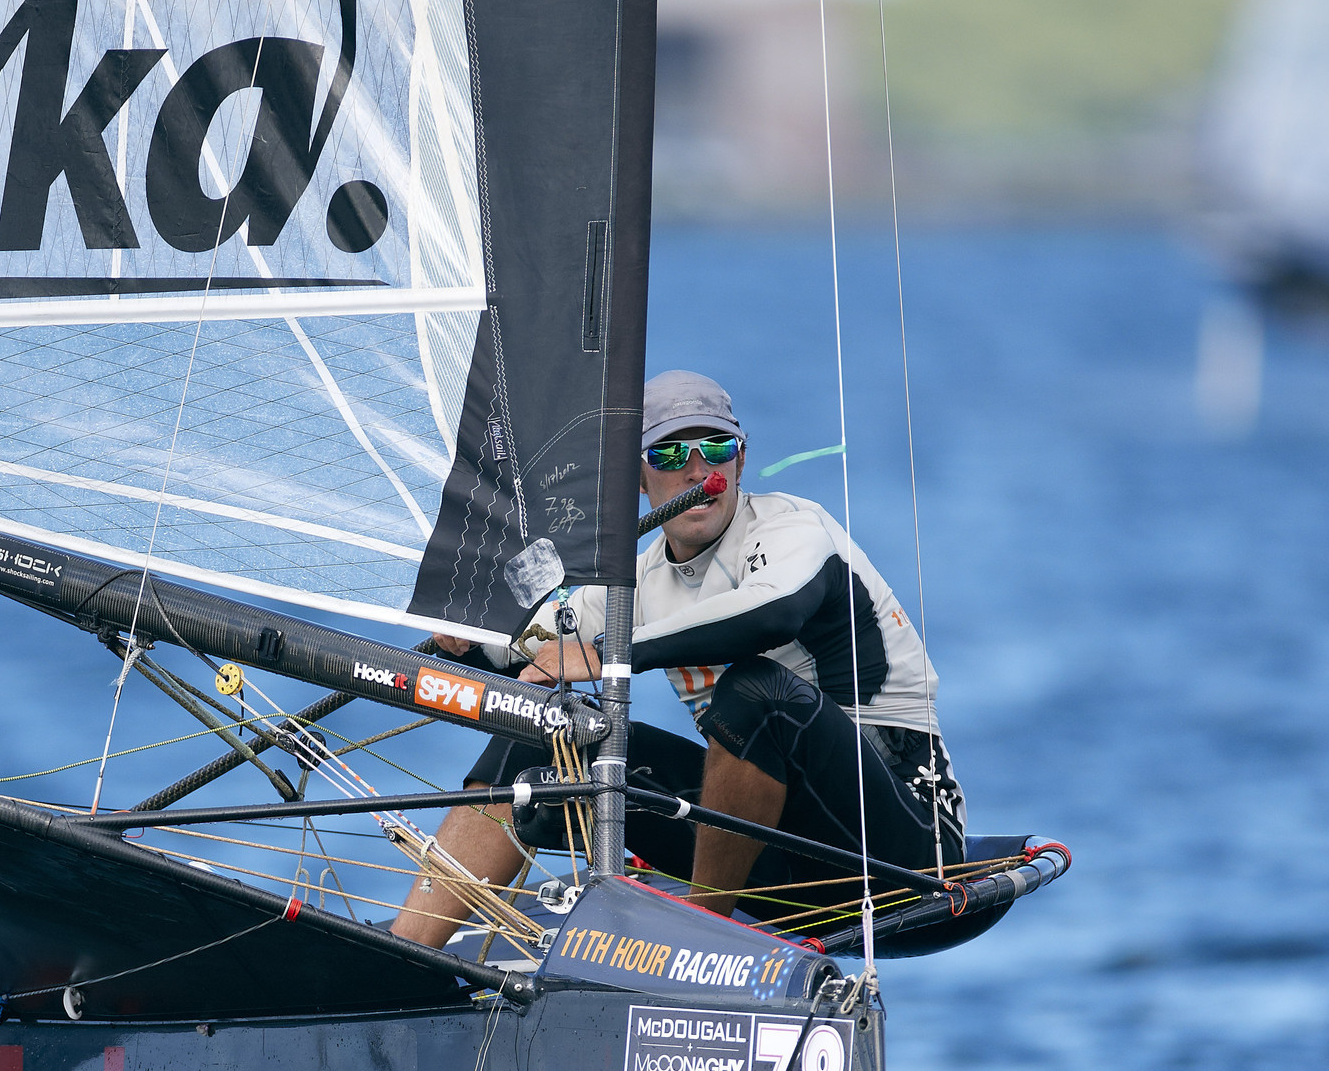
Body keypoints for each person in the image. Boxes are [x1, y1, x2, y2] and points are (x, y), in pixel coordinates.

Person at [392, 369, 963, 947]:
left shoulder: (796, 529)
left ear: (740, 462)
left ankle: (703, 940)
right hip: (773, 861)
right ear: (638, 478)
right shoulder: (636, 585)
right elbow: (519, 652)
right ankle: (407, 958)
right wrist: (464, 635)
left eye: (716, 447)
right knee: (540, 735)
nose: (698, 470)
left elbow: (773, 613)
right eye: (668, 453)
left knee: (755, 692)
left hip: (899, 850)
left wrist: (605, 652)